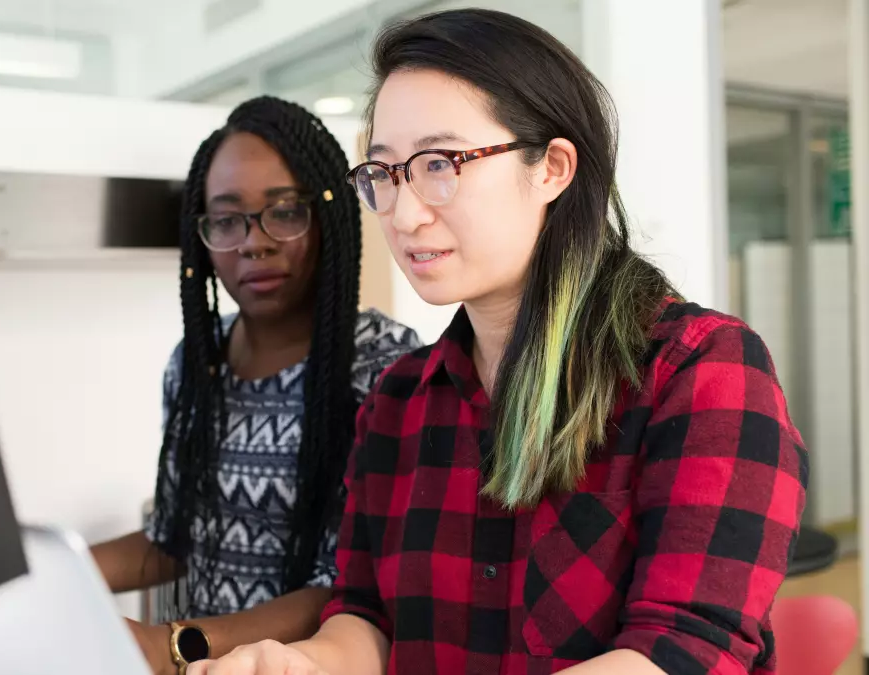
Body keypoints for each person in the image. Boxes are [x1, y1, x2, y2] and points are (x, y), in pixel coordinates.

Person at [190, 9, 807, 675]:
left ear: (553, 168)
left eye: (439, 163)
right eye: (386, 173)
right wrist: (300, 662)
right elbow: (365, 615)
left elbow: (685, 650)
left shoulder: (700, 370)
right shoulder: (397, 401)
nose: (404, 212)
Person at [90, 96, 422, 675]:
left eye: (285, 212)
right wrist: (45, 574)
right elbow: (174, 539)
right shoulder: (197, 363)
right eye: (226, 219)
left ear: (328, 218)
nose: (254, 241)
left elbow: (347, 586)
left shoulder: (384, 367)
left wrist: (173, 644)